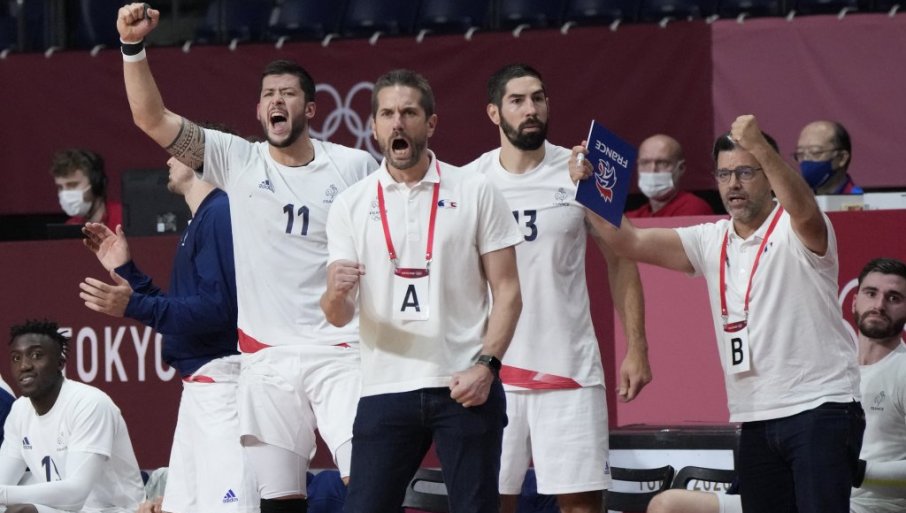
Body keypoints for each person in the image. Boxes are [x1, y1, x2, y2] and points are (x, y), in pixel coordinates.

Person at [116, 4, 378, 512]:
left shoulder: (352, 166)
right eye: (268, 94)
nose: (277, 101)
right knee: (278, 500)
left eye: (288, 94)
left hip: (340, 350)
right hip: (266, 358)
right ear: (259, 112)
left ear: (311, 109)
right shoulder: (238, 159)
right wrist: (132, 48)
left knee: (367, 481)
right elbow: (151, 118)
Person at [573, 115, 864, 513]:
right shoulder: (711, 238)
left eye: (746, 172)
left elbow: (804, 209)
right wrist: (592, 184)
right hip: (756, 416)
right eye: (725, 174)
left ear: (770, 175)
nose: (733, 184)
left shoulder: (796, 228)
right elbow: (629, 241)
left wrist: (759, 145)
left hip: (820, 407)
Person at [321, 69, 523, 513]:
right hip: (385, 386)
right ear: (373, 126)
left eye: (409, 112)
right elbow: (338, 314)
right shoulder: (350, 204)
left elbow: (508, 290)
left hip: (464, 384)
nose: (398, 122)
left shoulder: (475, 190)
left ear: (430, 123)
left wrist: (487, 367)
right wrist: (334, 294)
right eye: (387, 114)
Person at [463, 63, 651, 513]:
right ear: (494, 113)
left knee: (581, 506)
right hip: (490, 373)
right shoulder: (469, 182)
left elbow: (622, 259)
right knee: (488, 503)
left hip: (569, 369)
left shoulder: (583, 171)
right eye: (517, 100)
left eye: (538, 98)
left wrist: (637, 347)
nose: (531, 109)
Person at [77, 131, 257, 513]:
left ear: (199, 157)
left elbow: (219, 311)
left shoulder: (221, 212)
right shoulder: (202, 219)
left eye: (176, 151)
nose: (168, 160)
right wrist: (128, 272)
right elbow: (184, 311)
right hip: (198, 390)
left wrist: (134, 305)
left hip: (223, 388)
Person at [647, 257, 906, 513]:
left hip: (867, 506)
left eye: (893, 298)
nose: (879, 305)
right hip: (797, 494)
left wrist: (858, 471)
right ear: (854, 301)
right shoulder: (827, 366)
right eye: (871, 293)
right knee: (667, 505)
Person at [0, 319, 145, 513]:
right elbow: (3, 480)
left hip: (115, 510)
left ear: (60, 363)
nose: (24, 366)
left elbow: (75, 494)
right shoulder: (19, 411)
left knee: (22, 511)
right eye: (16, 358)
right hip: (61, 509)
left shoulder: (89, 403)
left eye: (36, 355)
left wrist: (4, 495)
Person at [626, 135, 714, 218]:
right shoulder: (633, 217)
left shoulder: (694, 208)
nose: (652, 170)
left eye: (662, 163)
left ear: (681, 168)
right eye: (645, 163)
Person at [50, 148, 123, 230]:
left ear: (96, 183)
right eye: (60, 187)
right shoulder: (71, 225)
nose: (65, 193)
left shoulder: (124, 217)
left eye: (73, 185)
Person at [793, 120, 862, 194]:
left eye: (815, 152)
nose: (806, 159)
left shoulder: (861, 199)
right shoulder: (795, 199)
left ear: (842, 158)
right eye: (800, 153)